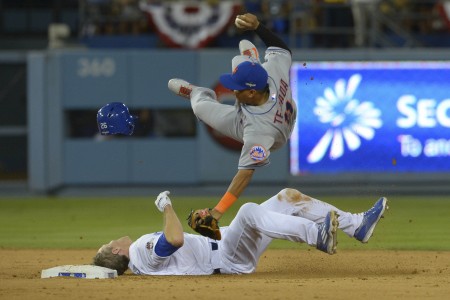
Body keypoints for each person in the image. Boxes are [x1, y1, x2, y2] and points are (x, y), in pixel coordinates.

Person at [167, 13, 297, 227]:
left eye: (237, 88)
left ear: (252, 93)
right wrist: (258, 26)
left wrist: (217, 212)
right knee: (241, 63)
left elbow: (245, 174)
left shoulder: (257, 132)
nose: (231, 90)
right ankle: (251, 62)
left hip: (265, 128)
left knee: (200, 106)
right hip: (274, 104)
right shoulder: (273, 71)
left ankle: (196, 92)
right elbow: (282, 49)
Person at [93, 189, 388, 275]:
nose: (112, 240)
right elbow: (174, 239)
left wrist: (211, 229)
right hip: (228, 260)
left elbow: (182, 248)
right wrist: (166, 207)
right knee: (248, 211)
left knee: (287, 197)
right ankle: (317, 235)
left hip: (224, 248)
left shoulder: (140, 259)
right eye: (108, 244)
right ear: (117, 252)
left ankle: (356, 225)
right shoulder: (138, 251)